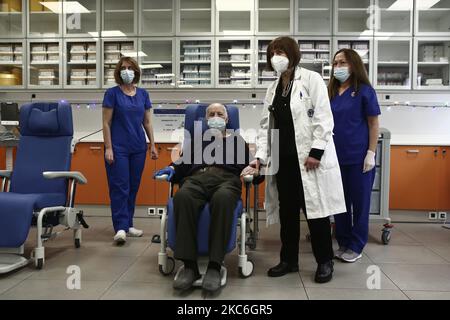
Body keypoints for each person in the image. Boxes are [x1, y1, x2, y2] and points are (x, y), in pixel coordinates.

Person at [243, 36, 346, 283]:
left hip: (308, 160)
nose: (277, 56)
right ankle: (289, 260)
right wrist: (260, 157)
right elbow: (265, 126)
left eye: (281, 51)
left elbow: (324, 118)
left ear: (293, 54)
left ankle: (325, 261)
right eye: (273, 52)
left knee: (316, 212)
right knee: (288, 213)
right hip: (283, 160)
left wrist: (316, 152)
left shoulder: (311, 80)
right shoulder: (273, 88)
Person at [154, 103, 251, 293]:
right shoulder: (197, 141)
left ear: (227, 119)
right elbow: (181, 166)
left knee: (223, 199)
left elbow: (251, 168)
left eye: (219, 114)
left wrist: (255, 170)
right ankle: (190, 267)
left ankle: (215, 266)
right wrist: (171, 169)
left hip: (226, 180)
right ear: (206, 120)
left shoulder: (238, 142)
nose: (215, 117)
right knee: (182, 197)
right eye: (211, 114)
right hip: (196, 179)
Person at [328, 49, 381, 263]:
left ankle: (357, 245)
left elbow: (373, 123)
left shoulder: (365, 91)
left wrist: (371, 153)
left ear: (354, 65)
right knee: (339, 204)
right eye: (336, 63)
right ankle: (343, 242)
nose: (338, 67)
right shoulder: (330, 92)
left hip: (359, 159)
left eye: (343, 63)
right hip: (335, 159)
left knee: (360, 205)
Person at [102, 56, 158, 245]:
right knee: (120, 187)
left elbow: (147, 122)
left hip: (138, 147)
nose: (127, 70)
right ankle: (119, 227)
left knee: (133, 186)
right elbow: (106, 123)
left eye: (130, 67)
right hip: (118, 147)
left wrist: (152, 144)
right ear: (119, 72)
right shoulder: (112, 94)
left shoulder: (143, 94)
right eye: (124, 68)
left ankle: (128, 224)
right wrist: (108, 147)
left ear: (136, 71)